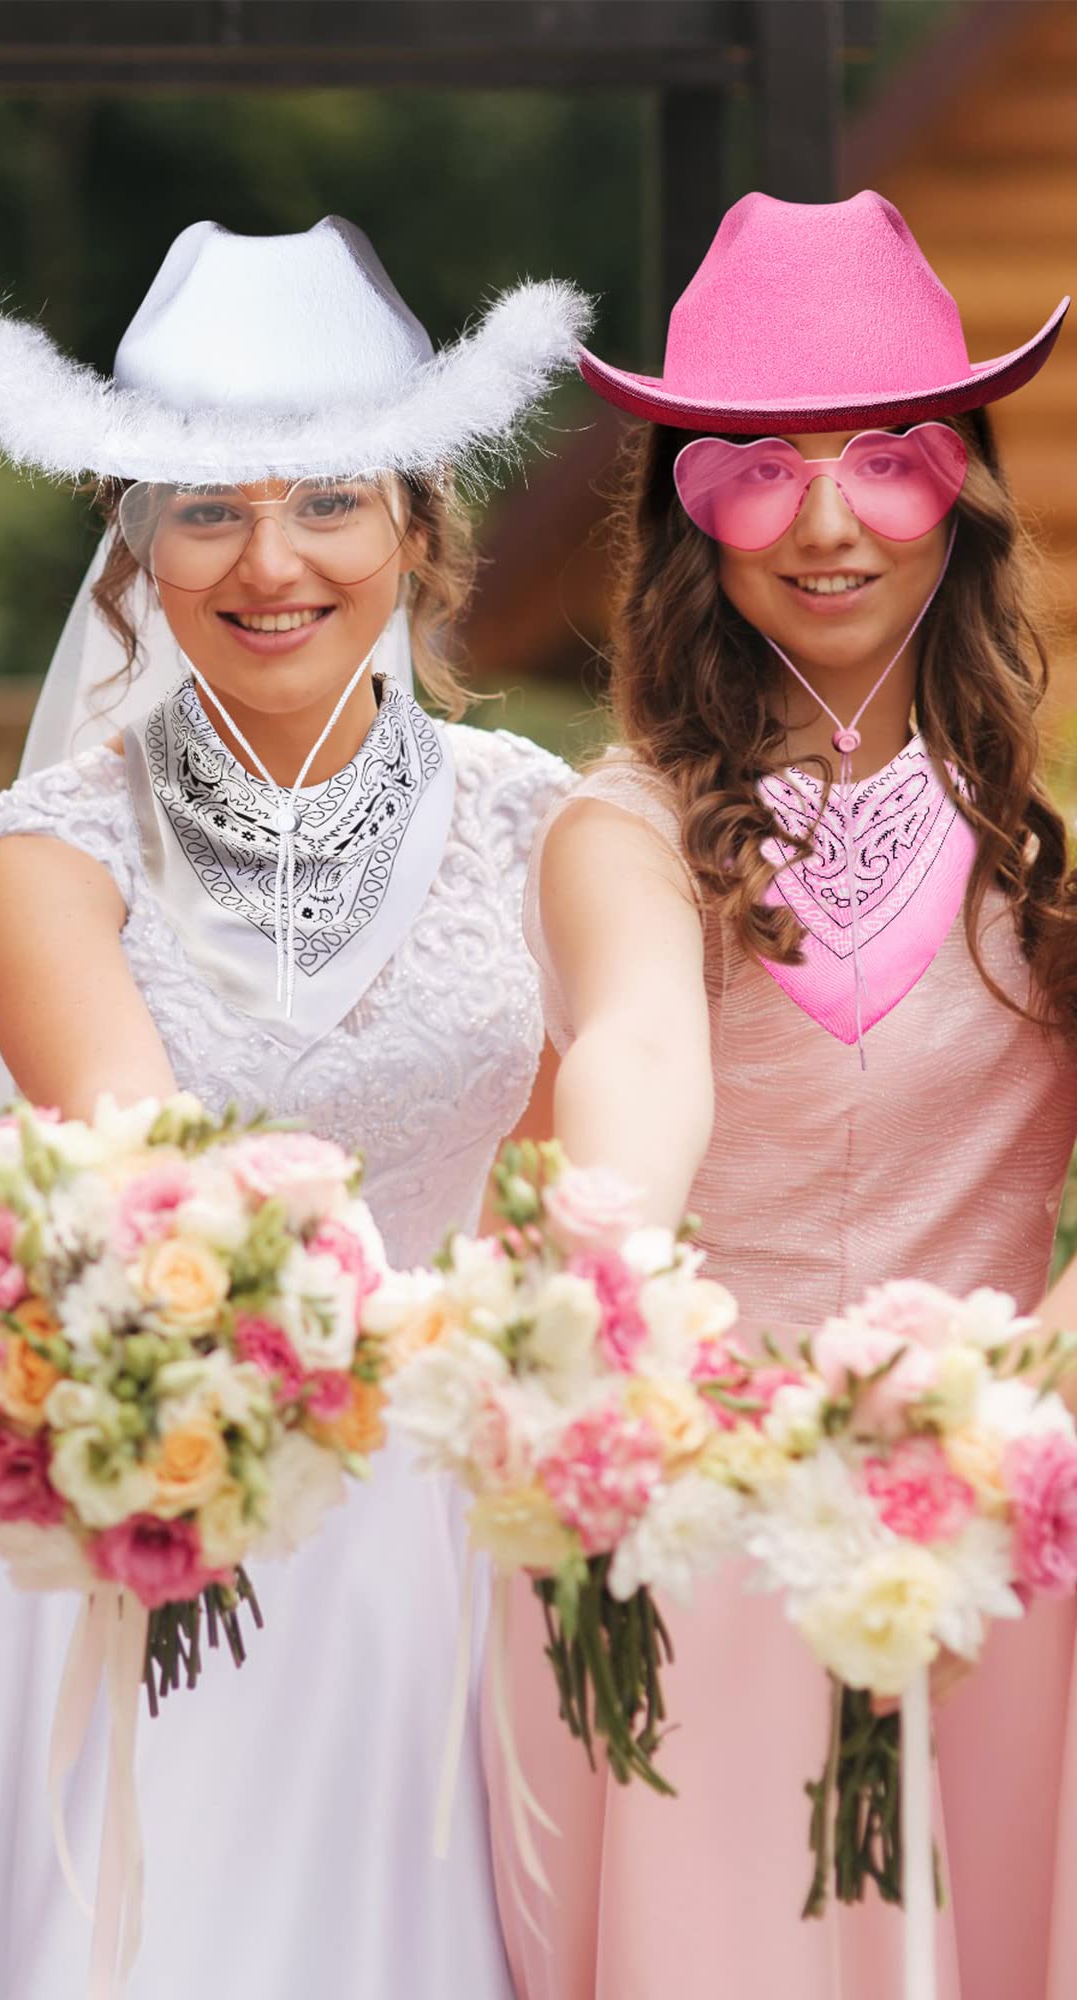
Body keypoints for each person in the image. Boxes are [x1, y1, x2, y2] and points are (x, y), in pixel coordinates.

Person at [0, 216, 587, 2000]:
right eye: (206, 509)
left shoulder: (544, 822)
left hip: (451, 1514)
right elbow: (152, 1174)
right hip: (143, 1461)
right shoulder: (49, 850)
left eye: (328, 503)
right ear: (135, 552)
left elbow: (563, 1184)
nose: (270, 559)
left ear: (418, 522)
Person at [507, 188, 1077, 2000]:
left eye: (884, 464)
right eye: (759, 469)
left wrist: (1032, 1383)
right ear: (687, 509)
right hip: (714, 1500)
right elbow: (640, 1058)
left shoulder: (1050, 847)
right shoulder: (626, 822)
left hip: (1008, 1521)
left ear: (965, 489)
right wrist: (615, 1280)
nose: (825, 526)